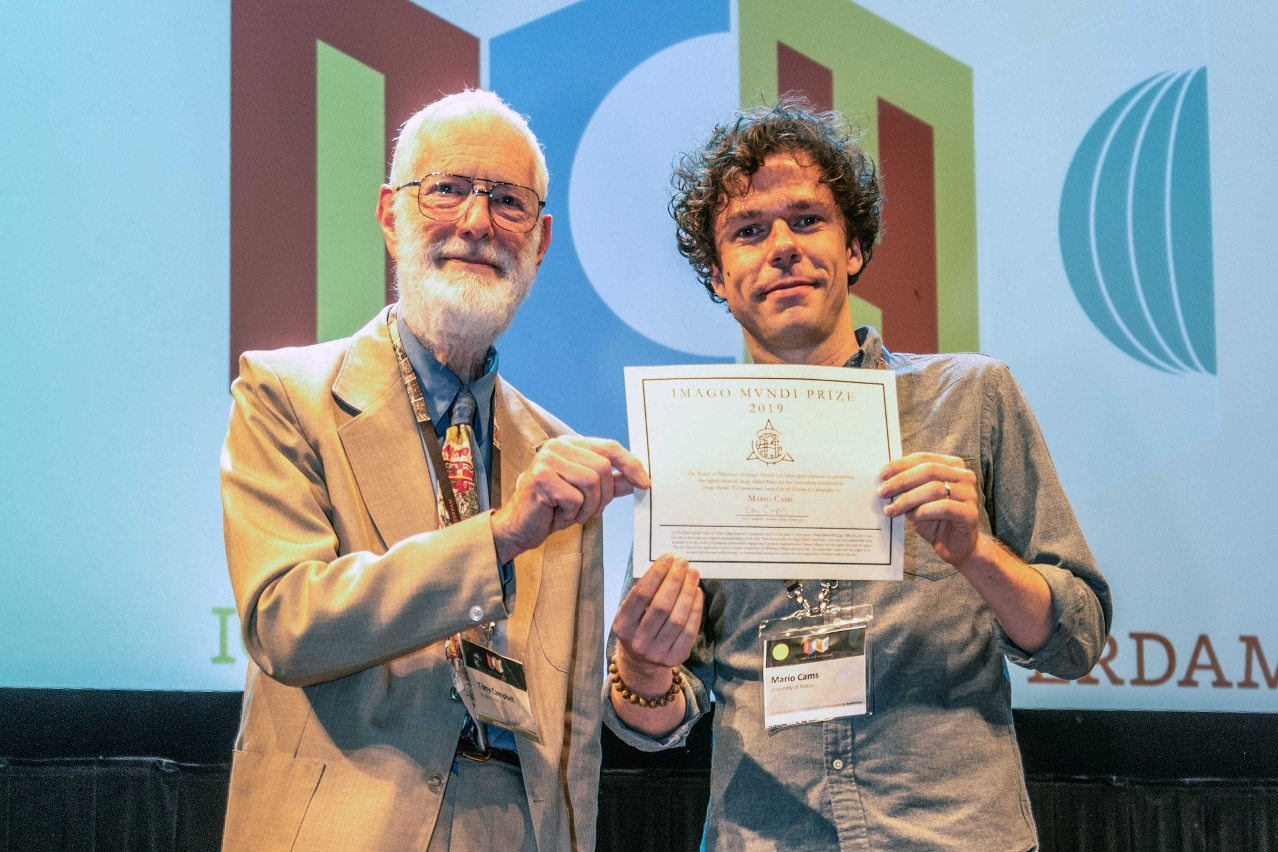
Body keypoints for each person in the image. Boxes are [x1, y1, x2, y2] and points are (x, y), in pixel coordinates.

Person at [603, 99, 1112, 850]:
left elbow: (1077, 639)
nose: (782, 247)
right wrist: (641, 671)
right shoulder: (686, 438)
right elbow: (653, 720)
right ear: (718, 274)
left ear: (853, 248)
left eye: (807, 220)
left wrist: (976, 553)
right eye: (749, 231)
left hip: (951, 835)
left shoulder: (970, 397)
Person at [219, 90, 647, 852]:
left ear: (541, 240)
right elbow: (286, 622)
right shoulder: (283, 394)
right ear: (391, 215)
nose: (477, 222)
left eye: (508, 201)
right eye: (447, 189)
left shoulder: (559, 454)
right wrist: (499, 536)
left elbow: (573, 729)